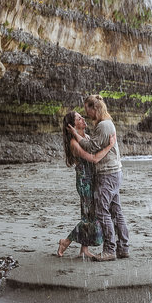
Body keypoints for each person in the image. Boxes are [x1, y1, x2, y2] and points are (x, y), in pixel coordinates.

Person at [69, 94, 129, 262]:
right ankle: (123, 248)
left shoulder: (103, 126)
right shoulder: (106, 124)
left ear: (94, 108)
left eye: (87, 110)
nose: (86, 115)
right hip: (114, 173)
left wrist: (75, 133)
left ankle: (110, 249)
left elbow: (91, 147)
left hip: (107, 174)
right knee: (116, 211)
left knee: (103, 212)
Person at [57, 110, 117, 259]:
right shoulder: (74, 143)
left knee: (89, 215)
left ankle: (84, 249)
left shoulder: (87, 137)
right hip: (85, 182)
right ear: (73, 125)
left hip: (93, 179)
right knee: (90, 217)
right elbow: (94, 159)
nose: (83, 119)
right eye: (79, 118)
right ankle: (66, 241)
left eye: (82, 116)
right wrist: (110, 146)